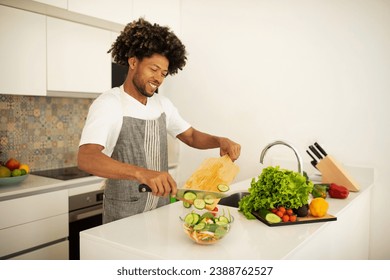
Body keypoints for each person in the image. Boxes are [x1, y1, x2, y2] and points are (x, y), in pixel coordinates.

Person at [77, 18, 241, 223]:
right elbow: (86, 157)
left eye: (163, 73)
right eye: (153, 69)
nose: (159, 79)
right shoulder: (109, 103)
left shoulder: (162, 104)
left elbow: (190, 136)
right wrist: (141, 173)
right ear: (133, 61)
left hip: (160, 211)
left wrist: (219, 141)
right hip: (124, 215)